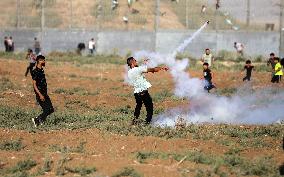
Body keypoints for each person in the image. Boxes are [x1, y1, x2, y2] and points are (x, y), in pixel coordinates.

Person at [127, 57, 168, 125]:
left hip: (136, 93)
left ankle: (134, 120)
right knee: (149, 107)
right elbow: (153, 69)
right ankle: (147, 123)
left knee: (138, 106)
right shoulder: (138, 69)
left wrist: (144, 64)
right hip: (143, 92)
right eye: (135, 60)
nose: (136, 61)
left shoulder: (129, 72)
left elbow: (139, 71)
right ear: (132, 63)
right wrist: (162, 68)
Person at [31, 55, 54, 127]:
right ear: (39, 61)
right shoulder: (35, 71)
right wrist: (40, 95)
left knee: (51, 109)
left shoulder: (42, 70)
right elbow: (34, 85)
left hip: (45, 93)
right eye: (43, 60)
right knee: (47, 110)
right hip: (40, 94)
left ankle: (40, 120)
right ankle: (37, 120)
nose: (45, 62)